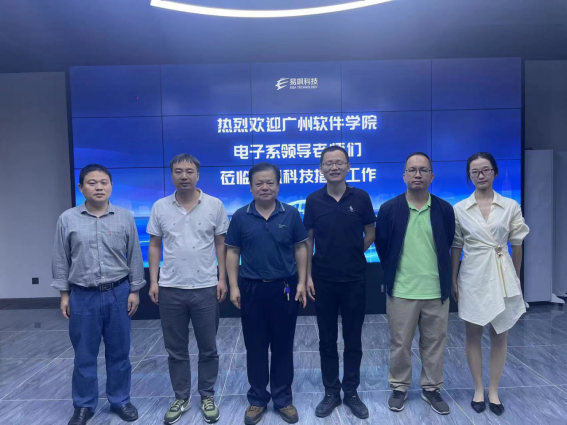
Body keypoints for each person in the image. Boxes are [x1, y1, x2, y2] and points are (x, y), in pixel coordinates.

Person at [52, 164, 145, 425]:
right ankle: (84, 405)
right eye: (92, 183)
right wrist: (64, 294)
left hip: (118, 293)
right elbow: (60, 259)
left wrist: (135, 290)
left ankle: (120, 400)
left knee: (119, 352)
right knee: (84, 354)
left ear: (111, 186)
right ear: (81, 188)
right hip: (83, 296)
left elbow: (134, 255)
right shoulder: (67, 219)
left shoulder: (124, 217)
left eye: (104, 182)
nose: (99, 187)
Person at [147, 154, 229, 424]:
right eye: (178, 171)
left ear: (198, 175)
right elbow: (155, 245)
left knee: (208, 347)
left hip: (205, 287)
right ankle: (181, 397)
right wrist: (154, 281)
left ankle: (207, 395)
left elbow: (221, 244)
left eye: (189, 171)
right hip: (170, 288)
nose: (184, 176)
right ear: (172, 175)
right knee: (176, 349)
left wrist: (222, 279)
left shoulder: (214, 205)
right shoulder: (160, 206)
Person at [225, 162, 308, 425]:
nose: (264, 187)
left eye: (270, 182)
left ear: (278, 185)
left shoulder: (290, 214)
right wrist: (234, 286)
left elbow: (301, 248)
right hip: (251, 288)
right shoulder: (240, 216)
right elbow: (233, 252)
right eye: (259, 183)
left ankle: (283, 399)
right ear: (250, 187)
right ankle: (258, 399)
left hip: (284, 287)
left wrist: (302, 282)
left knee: (283, 345)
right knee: (255, 346)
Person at [375, 152, 455, 415]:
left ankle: (431, 388)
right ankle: (399, 387)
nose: (417, 174)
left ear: (432, 176)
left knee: (434, 343)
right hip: (402, 289)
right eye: (412, 170)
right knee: (400, 343)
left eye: (423, 170)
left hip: (436, 290)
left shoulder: (444, 209)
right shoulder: (389, 209)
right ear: (404, 176)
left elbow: (448, 242)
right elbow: (383, 245)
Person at [451, 152, 529, 417]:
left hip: (502, 274)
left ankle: (494, 390)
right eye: (475, 172)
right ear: (469, 176)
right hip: (473, 275)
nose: (480, 175)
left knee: (500, 333)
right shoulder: (460, 208)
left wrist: (515, 277)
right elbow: (456, 246)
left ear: (494, 172)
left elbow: (517, 243)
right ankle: (478, 389)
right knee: (473, 334)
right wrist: (453, 278)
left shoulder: (510, 206)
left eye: (485, 170)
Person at [303, 146, 375, 419]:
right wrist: (308, 275)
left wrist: (354, 251)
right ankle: (331, 392)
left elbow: (370, 232)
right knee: (327, 339)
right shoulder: (313, 200)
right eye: (328, 163)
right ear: (321, 168)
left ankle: (351, 392)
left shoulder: (361, 197)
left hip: (354, 278)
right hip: (323, 279)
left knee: (353, 339)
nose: (334, 167)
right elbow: (308, 240)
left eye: (339, 163)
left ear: (348, 166)